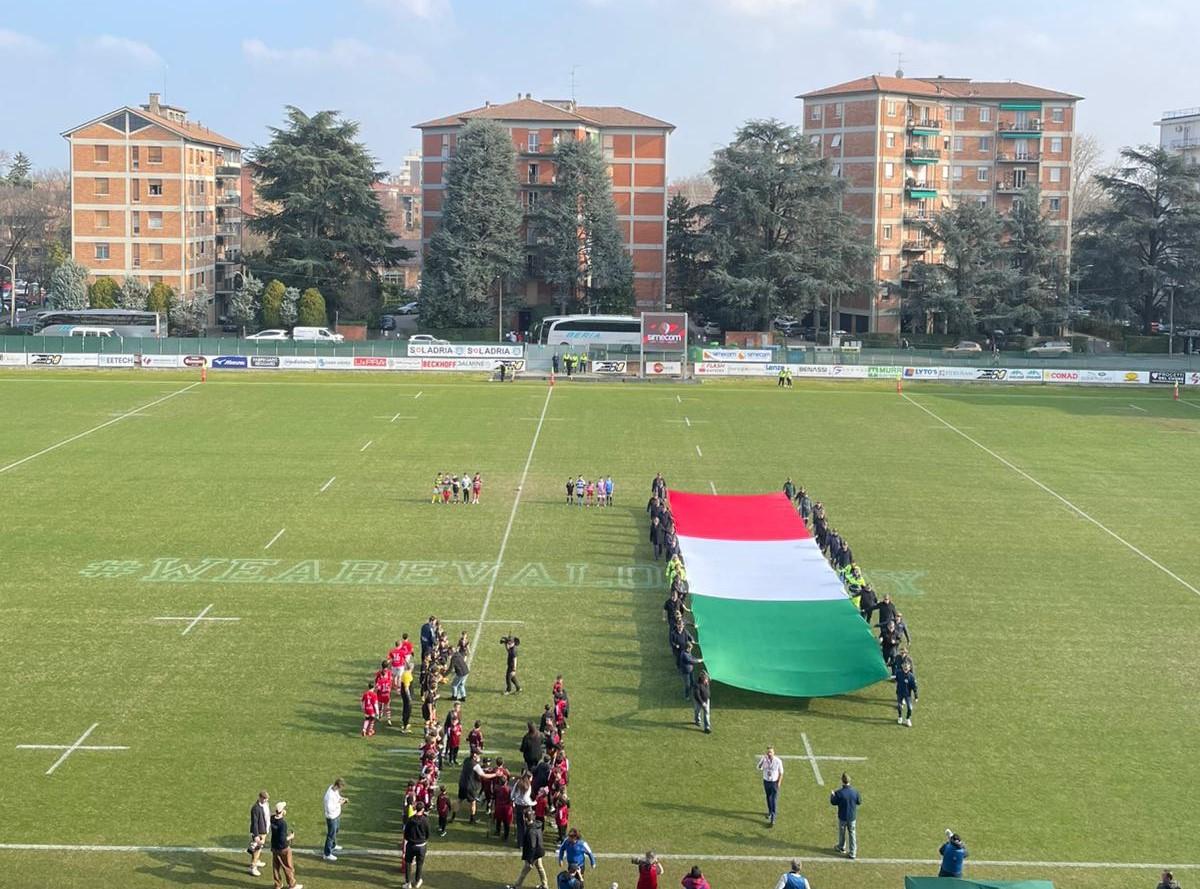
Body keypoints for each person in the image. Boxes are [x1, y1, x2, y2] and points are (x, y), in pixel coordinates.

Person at [508, 808, 548, 889]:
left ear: (526, 818)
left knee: (525, 870)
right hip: (539, 850)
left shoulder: (531, 831)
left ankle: (516, 886)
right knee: (540, 868)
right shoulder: (537, 824)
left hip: (534, 854)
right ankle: (545, 885)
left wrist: (529, 860)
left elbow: (532, 847)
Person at [269, 801, 302, 889]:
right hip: (283, 849)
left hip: (274, 847)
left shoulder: (272, 819)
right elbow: (283, 839)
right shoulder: (283, 824)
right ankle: (292, 885)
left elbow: (273, 816)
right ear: (282, 811)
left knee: (276, 867)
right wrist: (291, 837)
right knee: (288, 867)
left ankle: (278, 885)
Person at [830, 772, 860, 859]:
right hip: (852, 817)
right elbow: (859, 801)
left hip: (842, 817)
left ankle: (841, 847)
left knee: (842, 833)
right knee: (852, 834)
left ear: (842, 781)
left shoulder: (839, 793)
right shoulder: (855, 792)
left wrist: (832, 795)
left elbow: (833, 802)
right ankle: (853, 852)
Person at [402, 800, 430, 889]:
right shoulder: (425, 820)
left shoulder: (410, 820)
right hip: (421, 846)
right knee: (419, 864)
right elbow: (427, 833)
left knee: (408, 864)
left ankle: (408, 883)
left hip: (411, 845)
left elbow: (406, 834)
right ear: (422, 809)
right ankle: (417, 881)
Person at [757, 746, 784, 827]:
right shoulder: (764, 759)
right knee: (768, 797)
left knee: (773, 799)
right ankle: (770, 812)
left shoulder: (778, 761)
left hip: (774, 782)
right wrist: (763, 761)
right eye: (768, 752)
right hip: (766, 781)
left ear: (773, 753)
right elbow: (758, 767)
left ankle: (773, 817)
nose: (769, 754)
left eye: (771, 752)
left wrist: (779, 783)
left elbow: (781, 772)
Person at [322, 778, 348, 861]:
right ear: (337, 786)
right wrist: (339, 804)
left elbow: (337, 797)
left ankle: (333, 845)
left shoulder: (333, 789)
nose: (341, 789)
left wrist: (342, 799)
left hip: (336, 815)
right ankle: (327, 854)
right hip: (331, 817)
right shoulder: (329, 796)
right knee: (331, 835)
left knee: (336, 830)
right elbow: (330, 809)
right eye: (341, 787)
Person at [248, 790, 270, 876]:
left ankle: (256, 861)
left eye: (266, 799)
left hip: (264, 830)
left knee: (259, 848)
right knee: (256, 849)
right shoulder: (255, 808)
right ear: (260, 797)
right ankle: (253, 867)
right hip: (259, 832)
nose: (266, 800)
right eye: (264, 798)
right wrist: (256, 835)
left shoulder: (266, 804)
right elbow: (254, 822)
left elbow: (267, 816)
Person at [895, 661, 918, 727]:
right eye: (904, 666)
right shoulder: (898, 673)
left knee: (910, 708)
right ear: (902, 666)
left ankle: (907, 719)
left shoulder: (911, 676)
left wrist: (916, 696)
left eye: (907, 667)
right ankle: (900, 717)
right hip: (899, 693)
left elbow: (914, 687)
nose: (905, 668)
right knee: (899, 706)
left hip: (907, 695)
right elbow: (897, 680)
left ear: (909, 668)